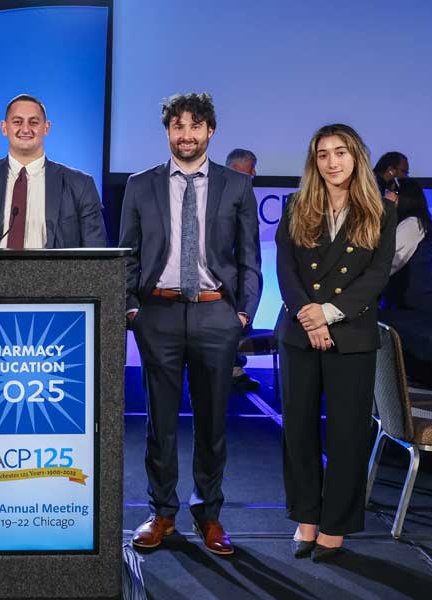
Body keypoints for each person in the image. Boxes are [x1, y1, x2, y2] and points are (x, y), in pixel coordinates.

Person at [120, 93, 261, 555]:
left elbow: (248, 260)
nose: (186, 135)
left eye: (195, 126)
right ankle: (162, 513)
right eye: (177, 126)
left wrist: (241, 314)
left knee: (213, 422)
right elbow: (129, 255)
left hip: (216, 314)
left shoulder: (235, 187)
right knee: (160, 423)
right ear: (168, 132)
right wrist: (132, 309)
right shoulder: (140, 185)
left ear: (210, 131)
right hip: (157, 315)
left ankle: (209, 515)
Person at [275, 124, 396, 561]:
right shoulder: (296, 205)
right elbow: (286, 271)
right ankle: (306, 518)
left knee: (347, 436)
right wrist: (310, 318)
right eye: (323, 154)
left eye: (340, 153)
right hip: (298, 333)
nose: (332, 162)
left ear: (356, 157)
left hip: (353, 335)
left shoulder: (382, 210)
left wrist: (327, 314)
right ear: (314, 162)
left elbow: (377, 276)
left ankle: (336, 526)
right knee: (300, 431)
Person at [0, 93, 107, 248]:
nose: (25, 129)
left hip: (56, 274)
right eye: (17, 122)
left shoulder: (80, 185)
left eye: (33, 122)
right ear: (4, 128)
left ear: (46, 128)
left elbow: (96, 258)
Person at [225, 148, 260, 392]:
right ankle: (230, 370)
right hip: (232, 275)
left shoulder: (244, 194)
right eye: (251, 168)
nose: (255, 173)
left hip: (245, 270)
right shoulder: (225, 196)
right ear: (237, 170)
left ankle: (235, 369)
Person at [382, 178, 432, 311]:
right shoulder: (411, 222)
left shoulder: (413, 223)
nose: (385, 196)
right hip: (410, 299)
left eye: (390, 192)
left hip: (415, 302)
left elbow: (391, 259)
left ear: (403, 196)